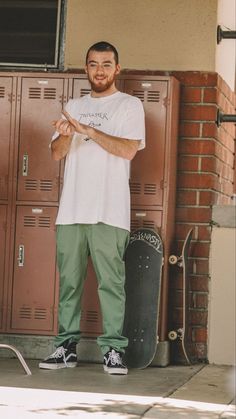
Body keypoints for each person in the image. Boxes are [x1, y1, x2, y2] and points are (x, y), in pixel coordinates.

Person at [39, 41, 145, 375]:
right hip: (71, 210)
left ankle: (113, 349)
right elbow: (57, 153)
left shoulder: (129, 105)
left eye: (106, 64)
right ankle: (66, 346)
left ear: (117, 69)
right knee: (69, 283)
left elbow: (128, 150)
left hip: (109, 210)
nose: (99, 70)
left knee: (111, 283)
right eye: (93, 64)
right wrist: (68, 134)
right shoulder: (74, 104)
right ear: (86, 68)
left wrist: (89, 130)